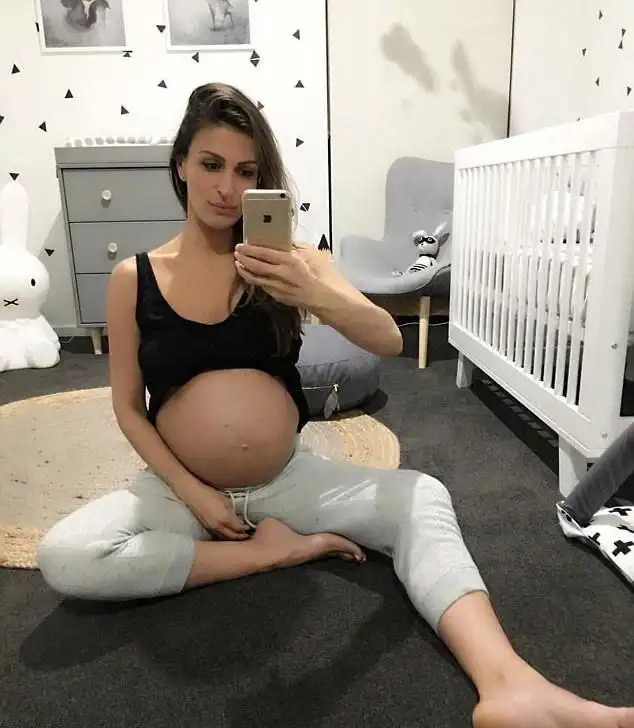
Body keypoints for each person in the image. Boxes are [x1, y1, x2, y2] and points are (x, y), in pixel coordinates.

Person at [37, 82, 633, 728]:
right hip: (181, 492)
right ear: (181, 164)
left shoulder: (294, 261)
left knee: (422, 496)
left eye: (247, 172)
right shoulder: (135, 279)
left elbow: (386, 341)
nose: (227, 189)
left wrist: (311, 293)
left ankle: (510, 685)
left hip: (287, 482)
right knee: (66, 554)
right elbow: (129, 407)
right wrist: (196, 495)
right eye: (211, 164)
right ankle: (267, 552)